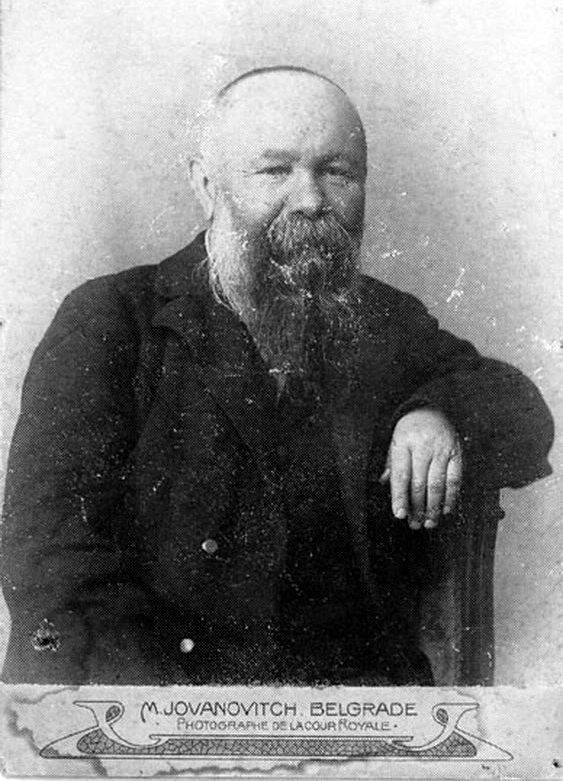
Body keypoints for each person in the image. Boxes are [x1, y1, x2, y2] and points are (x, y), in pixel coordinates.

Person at [1, 66, 553, 686]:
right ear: (206, 184)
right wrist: (171, 719)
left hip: (352, 716)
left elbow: (521, 412)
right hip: (158, 704)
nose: (311, 200)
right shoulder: (111, 320)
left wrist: (439, 412)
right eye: (274, 171)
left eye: (337, 172)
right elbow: (52, 560)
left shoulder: (385, 321)